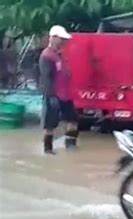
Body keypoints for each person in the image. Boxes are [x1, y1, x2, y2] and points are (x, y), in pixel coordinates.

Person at [39, 25, 78, 154]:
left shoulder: (58, 54)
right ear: (53, 38)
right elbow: (46, 78)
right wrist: (51, 96)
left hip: (65, 95)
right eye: (61, 39)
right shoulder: (46, 56)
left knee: (72, 119)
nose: (63, 42)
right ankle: (48, 149)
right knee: (50, 124)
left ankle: (71, 145)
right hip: (53, 95)